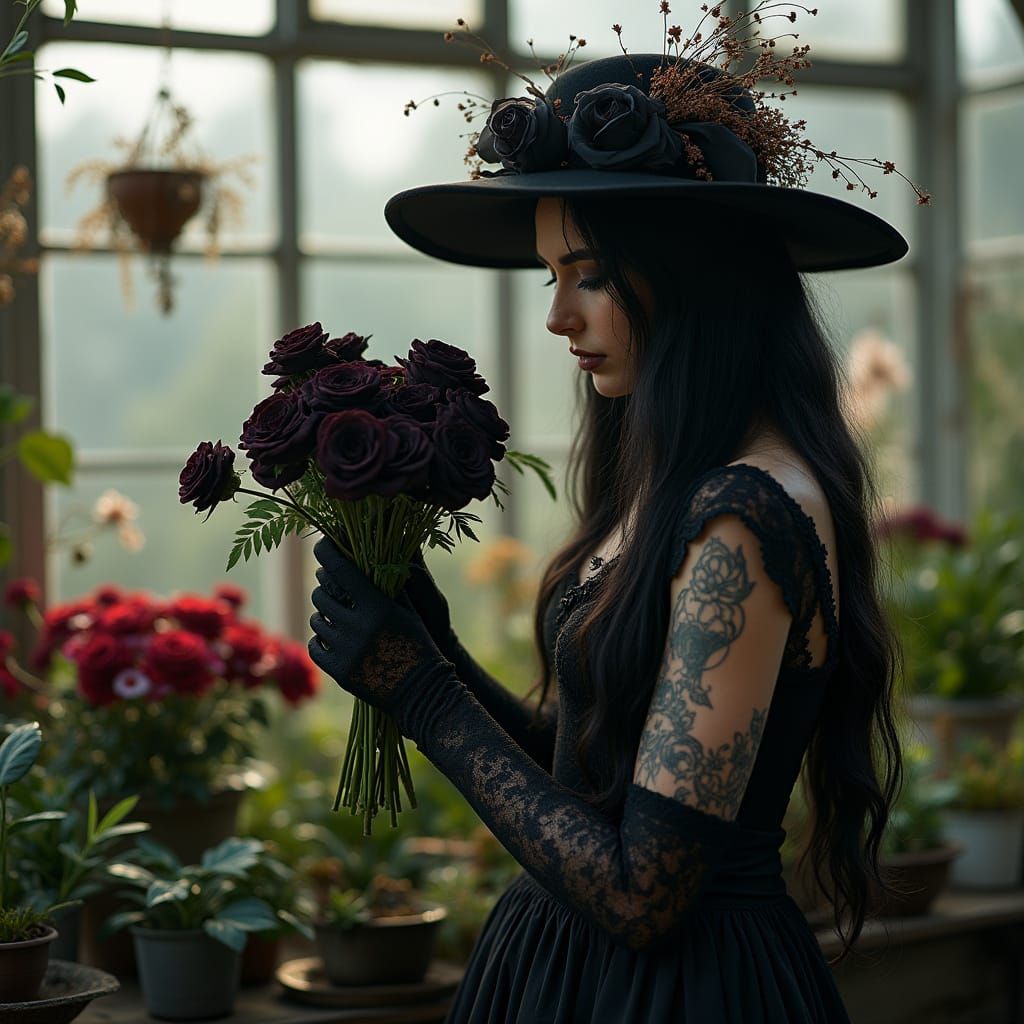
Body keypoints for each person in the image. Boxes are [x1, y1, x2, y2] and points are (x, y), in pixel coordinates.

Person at [308, 42, 909, 1023]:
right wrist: (438, 650)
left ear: (689, 271)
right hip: (568, 973)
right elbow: (602, 776)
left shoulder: (748, 515)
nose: (556, 316)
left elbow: (643, 888)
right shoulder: (681, 482)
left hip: (678, 994)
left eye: (586, 275)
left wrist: (418, 693)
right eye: (552, 274)